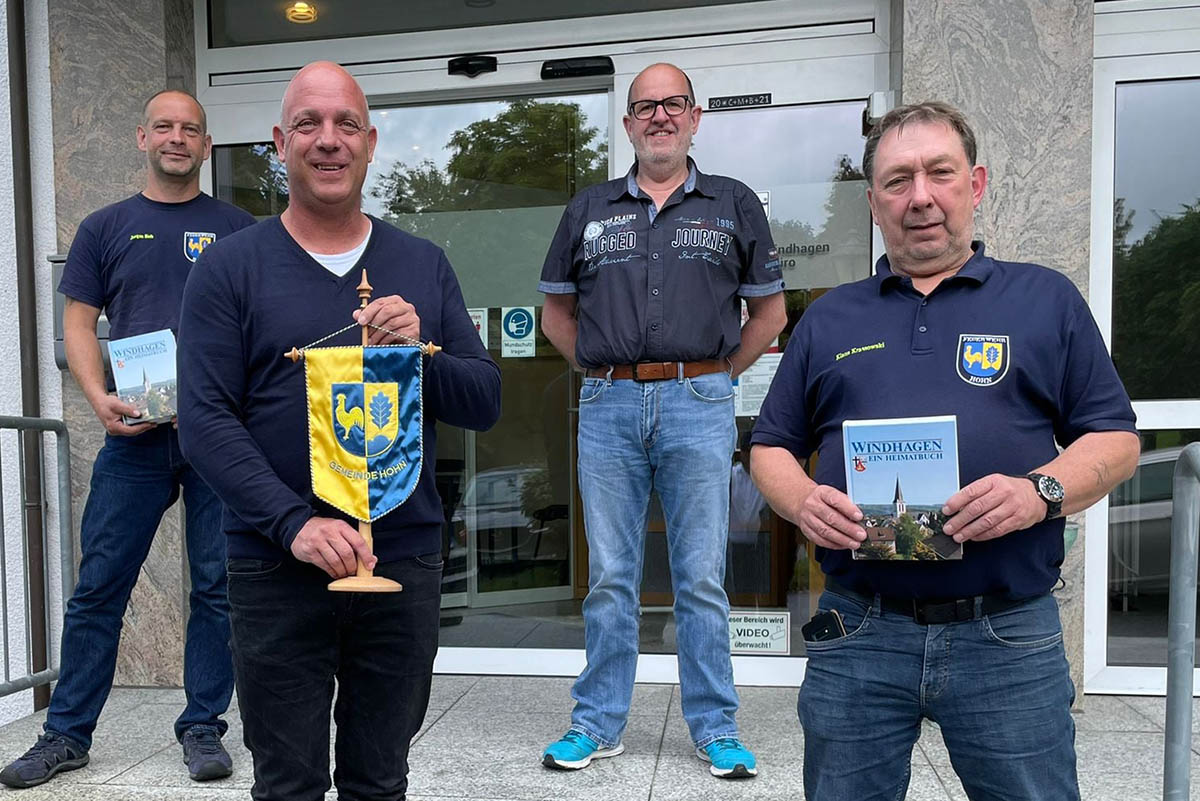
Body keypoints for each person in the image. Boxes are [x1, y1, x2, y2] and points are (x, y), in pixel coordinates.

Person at [749, 101, 1140, 801]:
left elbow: (1114, 438)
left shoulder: (1044, 300)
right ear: (873, 202)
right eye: (897, 180)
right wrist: (803, 500)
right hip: (859, 627)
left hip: (1007, 634)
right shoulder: (832, 316)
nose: (920, 196)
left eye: (939, 173)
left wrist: (1038, 491)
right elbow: (771, 446)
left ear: (977, 183)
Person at [175, 62, 501, 801]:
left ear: (371, 141)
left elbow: (482, 400)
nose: (328, 141)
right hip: (275, 563)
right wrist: (293, 523)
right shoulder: (230, 268)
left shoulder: (422, 264)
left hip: (403, 559)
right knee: (288, 783)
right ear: (278, 144)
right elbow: (203, 420)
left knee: (379, 780)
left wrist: (421, 354)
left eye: (345, 124)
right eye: (308, 125)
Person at [538, 62, 787, 779]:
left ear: (694, 116)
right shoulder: (588, 209)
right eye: (644, 107)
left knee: (700, 575)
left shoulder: (732, 204)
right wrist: (594, 367)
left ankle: (715, 726)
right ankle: (597, 722)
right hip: (608, 401)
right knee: (612, 574)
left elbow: (768, 314)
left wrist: (714, 379)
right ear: (628, 124)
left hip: (698, 400)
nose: (659, 117)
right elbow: (558, 311)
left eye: (672, 104)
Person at [0, 90, 254, 790]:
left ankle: (203, 727)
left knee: (218, 587)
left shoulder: (239, 228)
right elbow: (80, 323)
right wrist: (95, 396)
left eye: (191, 129)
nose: (177, 138)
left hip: (218, 436)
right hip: (135, 433)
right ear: (142, 136)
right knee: (98, 587)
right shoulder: (105, 227)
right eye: (164, 126)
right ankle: (65, 735)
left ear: (207, 146)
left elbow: (261, 325)